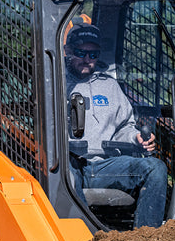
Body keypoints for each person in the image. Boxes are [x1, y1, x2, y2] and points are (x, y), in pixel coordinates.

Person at [65, 22, 167, 228]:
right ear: (67, 51)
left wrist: (135, 138)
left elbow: (124, 126)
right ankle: (84, 236)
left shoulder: (109, 86)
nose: (87, 59)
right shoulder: (54, 82)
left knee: (155, 168)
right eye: (80, 52)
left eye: (93, 55)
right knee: (68, 174)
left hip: (103, 166)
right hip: (66, 165)